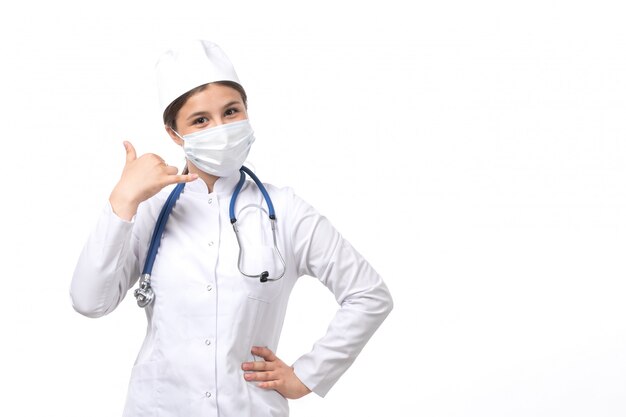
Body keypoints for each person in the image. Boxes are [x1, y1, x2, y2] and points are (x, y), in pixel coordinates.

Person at [70, 40, 393, 417]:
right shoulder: (150, 210)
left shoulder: (285, 211)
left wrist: (307, 375)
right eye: (201, 120)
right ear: (175, 134)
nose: (221, 128)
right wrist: (122, 201)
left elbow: (369, 295)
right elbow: (89, 302)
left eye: (231, 111)